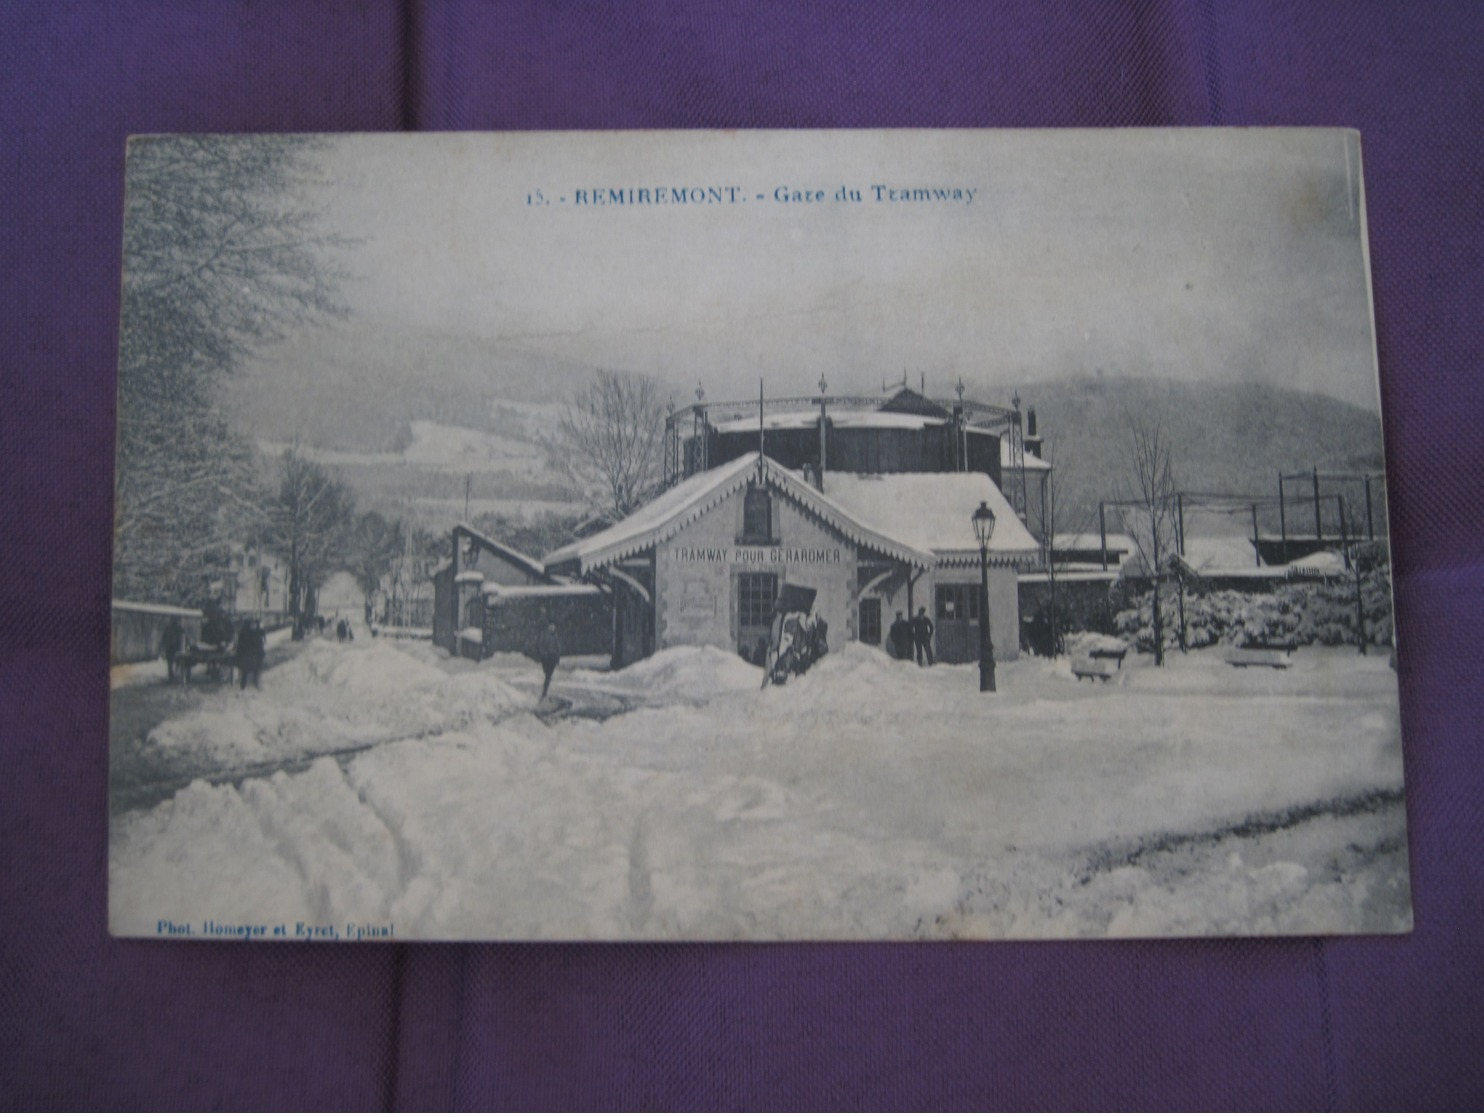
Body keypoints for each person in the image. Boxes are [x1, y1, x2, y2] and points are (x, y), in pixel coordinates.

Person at [235, 619, 266, 690]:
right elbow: (240, 646)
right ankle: (243, 685)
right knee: (245, 670)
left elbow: (260, 645)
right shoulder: (244, 634)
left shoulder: (257, 634)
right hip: (246, 655)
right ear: (249, 626)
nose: (253, 627)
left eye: (255, 625)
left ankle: (256, 683)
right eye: (252, 625)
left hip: (256, 655)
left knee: (257, 669)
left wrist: (262, 653)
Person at [536, 622, 561, 699]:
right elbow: (539, 644)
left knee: (548, 675)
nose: (553, 628)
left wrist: (557, 657)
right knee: (547, 673)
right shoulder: (544, 634)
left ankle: (545, 692)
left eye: (554, 626)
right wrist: (543, 653)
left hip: (553, 657)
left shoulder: (556, 636)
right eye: (551, 626)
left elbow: (558, 647)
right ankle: (545, 691)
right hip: (546, 657)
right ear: (548, 626)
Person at [160, 616, 183, 681]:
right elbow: (163, 639)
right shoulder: (169, 629)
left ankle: (174, 674)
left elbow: (184, 637)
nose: (174, 622)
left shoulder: (179, 629)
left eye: (175, 621)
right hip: (171, 648)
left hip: (176, 648)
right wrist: (162, 647)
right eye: (173, 621)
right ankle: (171, 676)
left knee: (176, 661)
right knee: (170, 663)